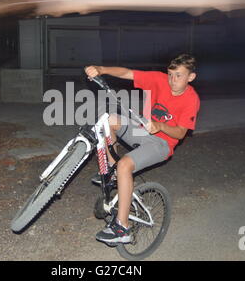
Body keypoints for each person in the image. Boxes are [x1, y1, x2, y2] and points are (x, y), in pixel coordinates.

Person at [84, 53, 200, 245]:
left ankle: (122, 227)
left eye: (178, 75)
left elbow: (180, 133)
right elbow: (128, 73)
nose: (172, 80)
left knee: (125, 165)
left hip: (162, 144)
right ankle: (112, 173)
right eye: (170, 74)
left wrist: (161, 126)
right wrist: (101, 69)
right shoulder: (159, 79)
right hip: (142, 131)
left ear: (191, 77)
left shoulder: (191, 99)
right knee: (109, 120)